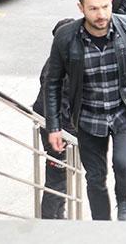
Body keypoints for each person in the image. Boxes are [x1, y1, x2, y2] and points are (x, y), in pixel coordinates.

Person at [44, 0, 126, 221]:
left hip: (124, 112)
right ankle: (102, 225)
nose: (101, 15)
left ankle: (124, 198)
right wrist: (54, 126)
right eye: (93, 9)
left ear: (111, 2)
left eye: (104, 6)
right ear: (81, 8)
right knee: (95, 178)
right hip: (89, 118)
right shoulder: (66, 37)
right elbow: (53, 82)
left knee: (124, 165)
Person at [32, 18, 75, 219]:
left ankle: (59, 213)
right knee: (57, 176)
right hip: (56, 127)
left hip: (57, 124)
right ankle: (49, 220)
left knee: (64, 174)